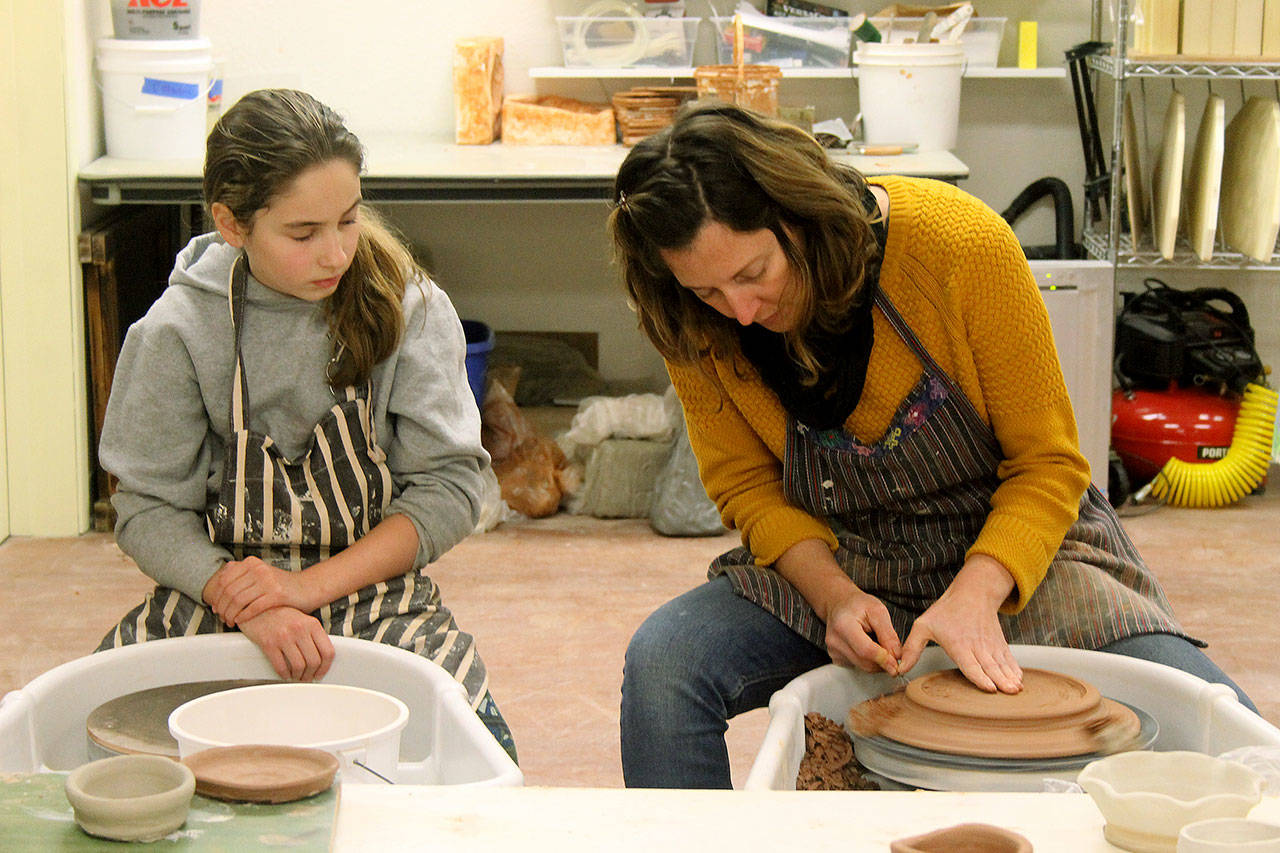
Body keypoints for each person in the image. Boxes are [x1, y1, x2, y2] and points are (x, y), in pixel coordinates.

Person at [608, 101, 1254, 788]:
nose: (739, 310)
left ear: (798, 214)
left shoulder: (956, 244)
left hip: (1015, 551)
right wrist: (832, 597)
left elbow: (1049, 464)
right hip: (843, 554)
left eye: (754, 272)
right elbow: (746, 487)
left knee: (1211, 717)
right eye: (707, 288)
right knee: (666, 664)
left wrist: (976, 594)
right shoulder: (684, 314)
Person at [96, 88, 516, 762]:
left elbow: (449, 490)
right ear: (232, 225)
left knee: (479, 755)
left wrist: (302, 589)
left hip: (377, 590)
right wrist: (252, 603)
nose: (337, 254)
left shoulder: (408, 307)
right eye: (303, 233)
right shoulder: (177, 330)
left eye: (348, 220)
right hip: (216, 592)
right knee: (101, 749)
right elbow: (146, 510)